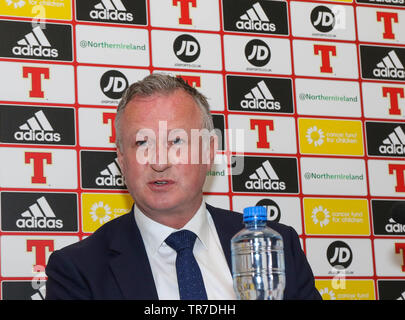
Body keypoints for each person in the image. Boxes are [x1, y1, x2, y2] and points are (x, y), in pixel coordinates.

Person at [45, 73, 322, 300]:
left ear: (210, 150)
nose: (159, 162)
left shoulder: (276, 245)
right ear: (121, 157)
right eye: (142, 143)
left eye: (176, 141)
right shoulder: (79, 269)